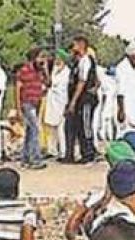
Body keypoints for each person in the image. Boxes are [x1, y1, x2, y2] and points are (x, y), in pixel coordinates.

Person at [65, 35, 99, 164]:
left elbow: (82, 82)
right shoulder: (77, 62)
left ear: (81, 45)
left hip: (85, 99)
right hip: (82, 98)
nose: (73, 48)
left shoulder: (86, 60)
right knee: (80, 125)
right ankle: (85, 151)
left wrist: (73, 101)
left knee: (86, 125)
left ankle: (89, 152)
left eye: (74, 45)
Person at [15, 47, 47, 170]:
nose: (42, 60)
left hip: (36, 103)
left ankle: (26, 157)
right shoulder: (24, 71)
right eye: (40, 57)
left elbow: (48, 83)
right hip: (27, 103)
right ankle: (35, 158)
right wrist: (18, 108)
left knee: (30, 131)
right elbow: (18, 90)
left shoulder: (39, 71)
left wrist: (45, 71)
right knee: (35, 129)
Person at [116, 40, 135, 136]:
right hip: (127, 111)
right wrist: (121, 111)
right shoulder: (122, 68)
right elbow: (120, 92)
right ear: (131, 54)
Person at [44, 49, 70, 160]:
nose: (57, 60)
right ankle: (52, 150)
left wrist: (46, 70)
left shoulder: (66, 73)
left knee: (61, 128)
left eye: (59, 58)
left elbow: (51, 83)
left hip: (61, 102)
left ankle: (63, 151)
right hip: (52, 101)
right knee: (51, 126)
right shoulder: (55, 70)